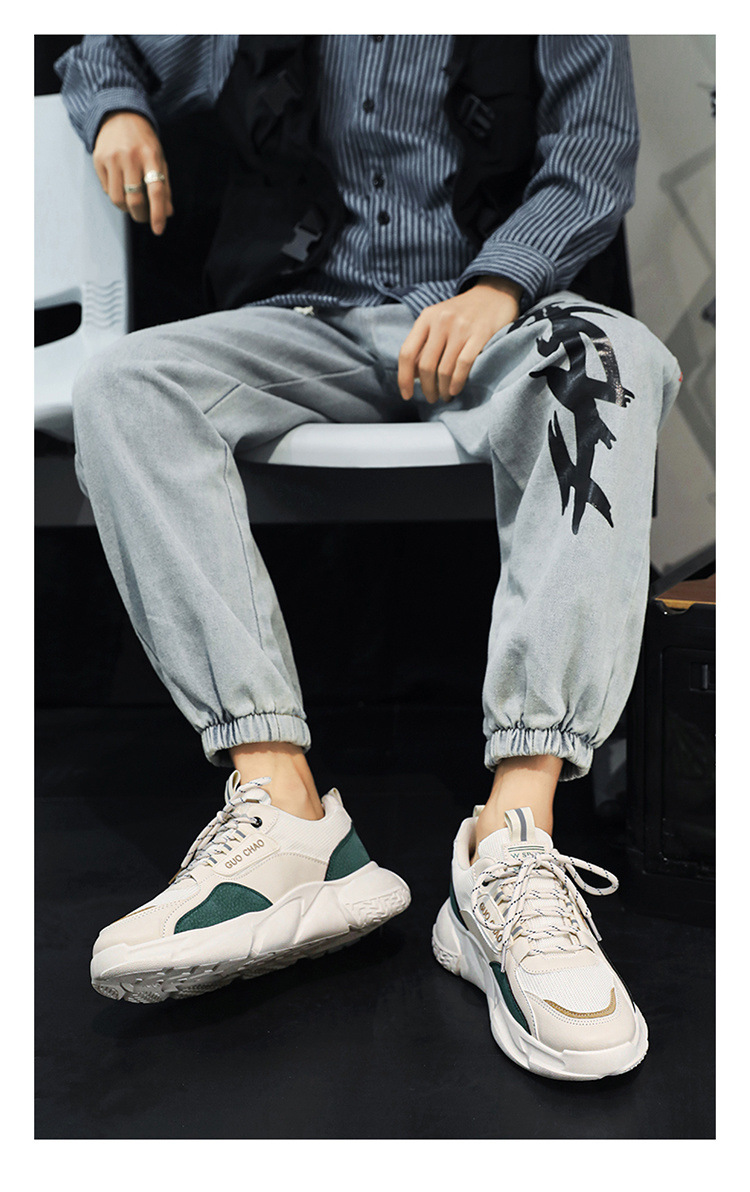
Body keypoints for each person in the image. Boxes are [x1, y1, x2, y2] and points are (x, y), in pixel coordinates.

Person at [55, 34, 681, 1081]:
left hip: (497, 316)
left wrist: (501, 282)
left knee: (615, 361)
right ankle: (287, 815)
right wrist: (116, 105)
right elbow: (105, 45)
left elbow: (594, 153)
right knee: (124, 388)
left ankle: (513, 844)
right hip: (308, 317)